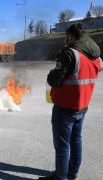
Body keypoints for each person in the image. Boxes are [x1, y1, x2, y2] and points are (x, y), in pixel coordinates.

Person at [39, 24, 102, 180]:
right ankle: (72, 173)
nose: (66, 40)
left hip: (65, 108)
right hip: (82, 107)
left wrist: (52, 73)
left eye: (67, 36)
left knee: (62, 147)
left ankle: (61, 177)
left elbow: (54, 81)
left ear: (72, 36)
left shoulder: (69, 53)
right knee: (76, 141)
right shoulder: (95, 55)